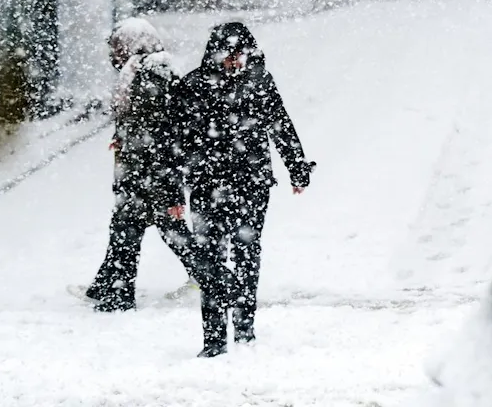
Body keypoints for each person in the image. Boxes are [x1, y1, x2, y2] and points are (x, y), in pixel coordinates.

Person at [176, 21, 315, 357]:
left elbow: (280, 124)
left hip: (251, 183)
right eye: (227, 53)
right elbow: (174, 138)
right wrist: (173, 182)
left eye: (239, 53)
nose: (233, 60)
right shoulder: (194, 85)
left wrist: (297, 167)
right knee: (209, 256)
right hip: (207, 185)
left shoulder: (259, 82)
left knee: (246, 252)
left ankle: (244, 329)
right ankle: (213, 337)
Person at [75, 18, 206, 312]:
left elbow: (162, 130)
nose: (114, 54)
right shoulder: (142, 69)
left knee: (134, 230)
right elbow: (142, 122)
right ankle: (107, 289)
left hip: (149, 173)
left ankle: (118, 295)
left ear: (136, 43)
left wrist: (168, 185)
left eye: (118, 46)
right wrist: (122, 136)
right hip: (142, 171)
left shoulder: (152, 72)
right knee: (132, 229)